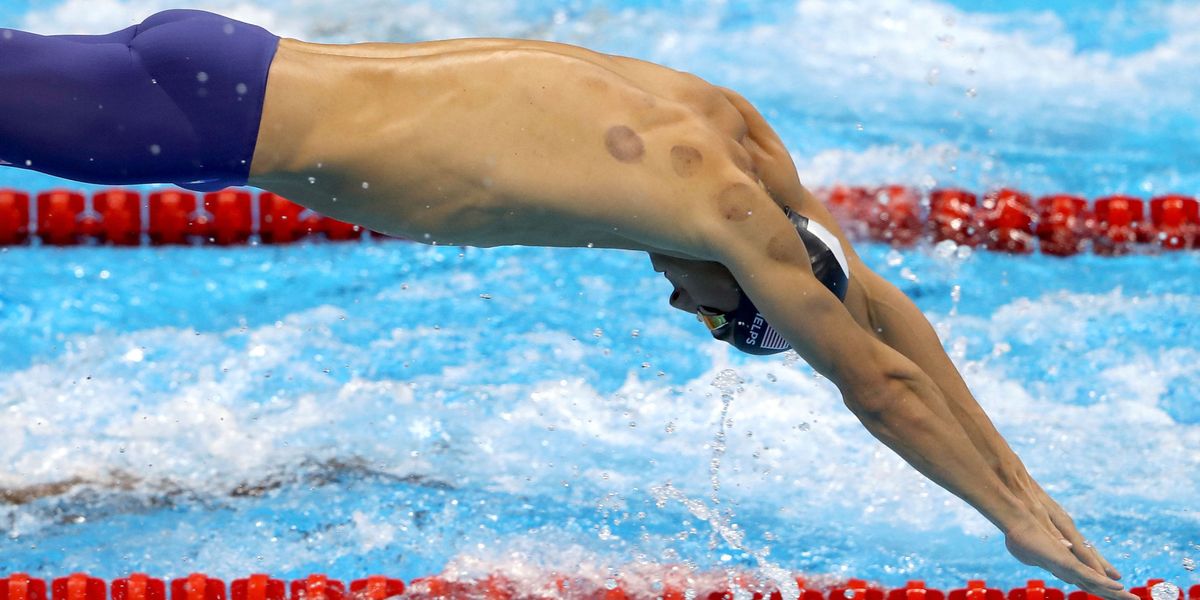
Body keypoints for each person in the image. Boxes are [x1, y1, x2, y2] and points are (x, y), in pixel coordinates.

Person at [0, 9, 1133, 599]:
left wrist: (1026, 481)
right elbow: (873, 376)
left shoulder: (731, 129)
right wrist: (1014, 525)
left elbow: (873, 297)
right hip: (206, 118)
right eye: (708, 315)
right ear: (747, 289)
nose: (673, 302)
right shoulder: (715, 211)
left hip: (231, 76)